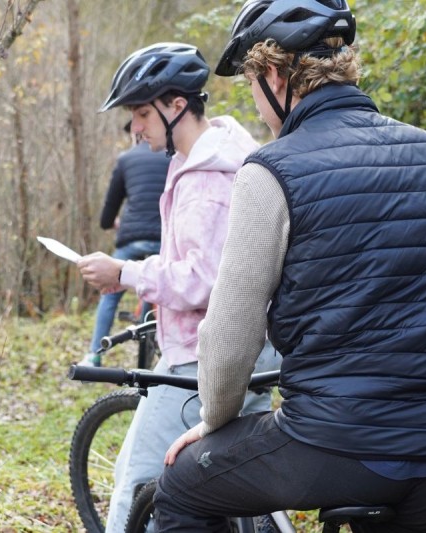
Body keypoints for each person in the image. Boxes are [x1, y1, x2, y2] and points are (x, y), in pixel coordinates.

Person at [155, 1, 426, 532]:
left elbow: (229, 330)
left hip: (337, 442)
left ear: (271, 74)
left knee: (180, 487)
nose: (260, 112)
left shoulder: (272, 170)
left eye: (251, 88)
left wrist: (214, 422)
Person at [76, 42, 280, 532]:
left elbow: (202, 281)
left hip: (202, 357)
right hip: (246, 350)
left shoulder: (206, 180)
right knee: (220, 489)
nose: (135, 128)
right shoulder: (221, 157)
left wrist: (123, 273)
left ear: (177, 106)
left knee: (137, 484)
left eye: (142, 113)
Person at [79, 122, 169, 367]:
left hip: (131, 240)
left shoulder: (125, 159)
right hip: (164, 240)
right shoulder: (174, 157)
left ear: (134, 134)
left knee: (110, 293)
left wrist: (118, 223)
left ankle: (94, 354)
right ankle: (159, 353)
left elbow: (106, 218)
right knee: (160, 289)